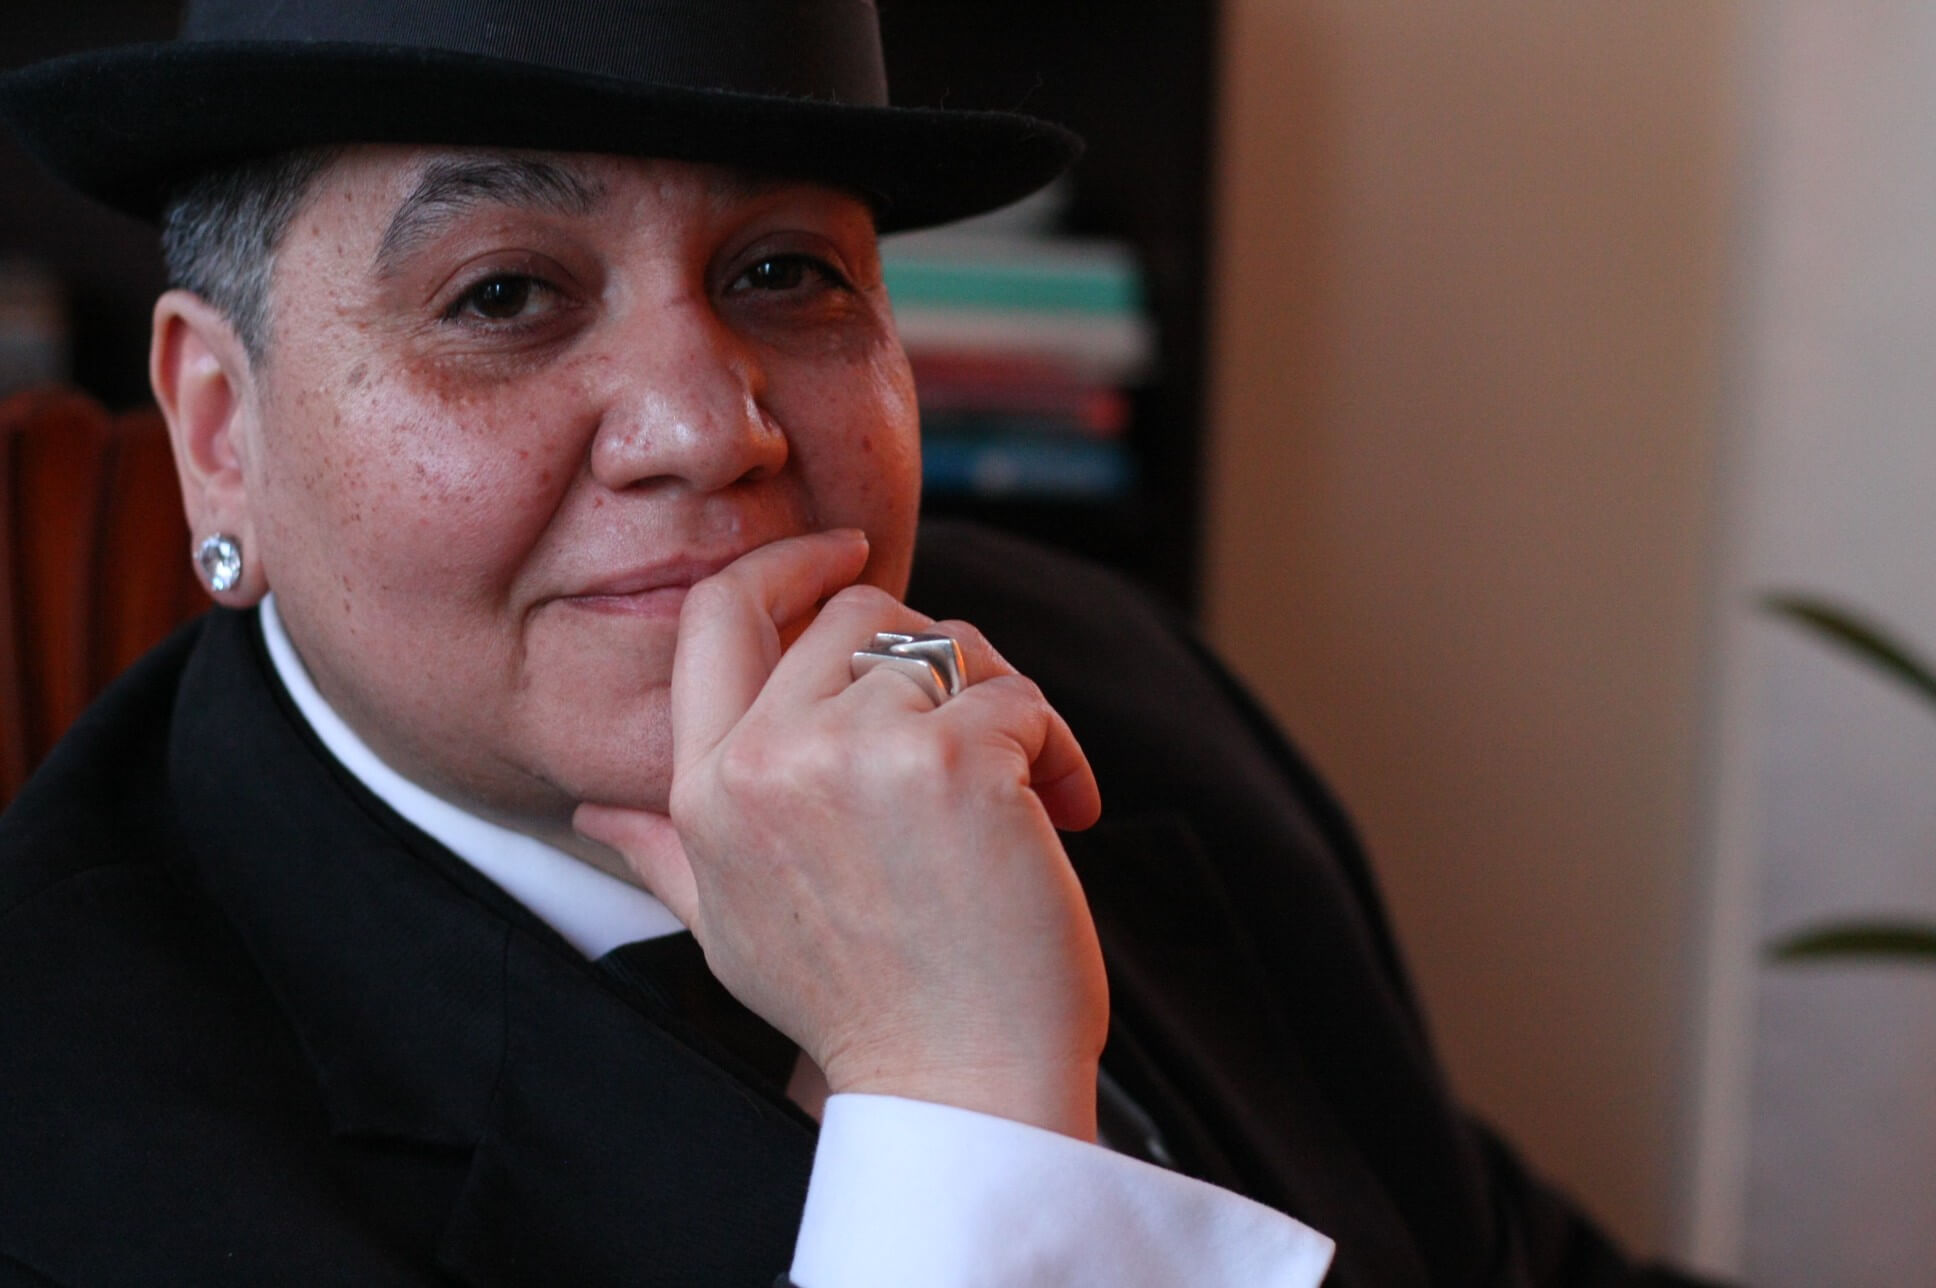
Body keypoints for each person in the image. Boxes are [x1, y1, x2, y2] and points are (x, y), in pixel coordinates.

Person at [0, 3, 1724, 1285]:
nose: (706, 426)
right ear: (221, 430)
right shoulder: (68, 1154)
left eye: (782, 273)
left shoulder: (1101, 680)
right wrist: (952, 1101)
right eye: (504, 294)